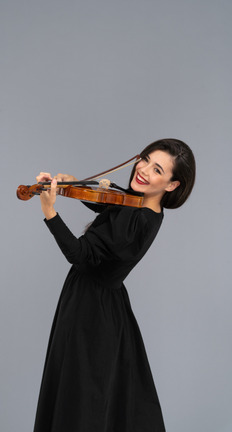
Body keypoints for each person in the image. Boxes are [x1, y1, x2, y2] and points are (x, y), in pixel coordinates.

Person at [33, 138, 196, 432]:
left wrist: (50, 212)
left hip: (91, 311)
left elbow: (80, 255)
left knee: (82, 395)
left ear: (171, 185)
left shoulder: (138, 224)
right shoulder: (140, 205)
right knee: (88, 391)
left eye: (157, 169)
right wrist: (71, 183)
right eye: (145, 159)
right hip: (104, 303)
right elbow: (109, 208)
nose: (143, 170)